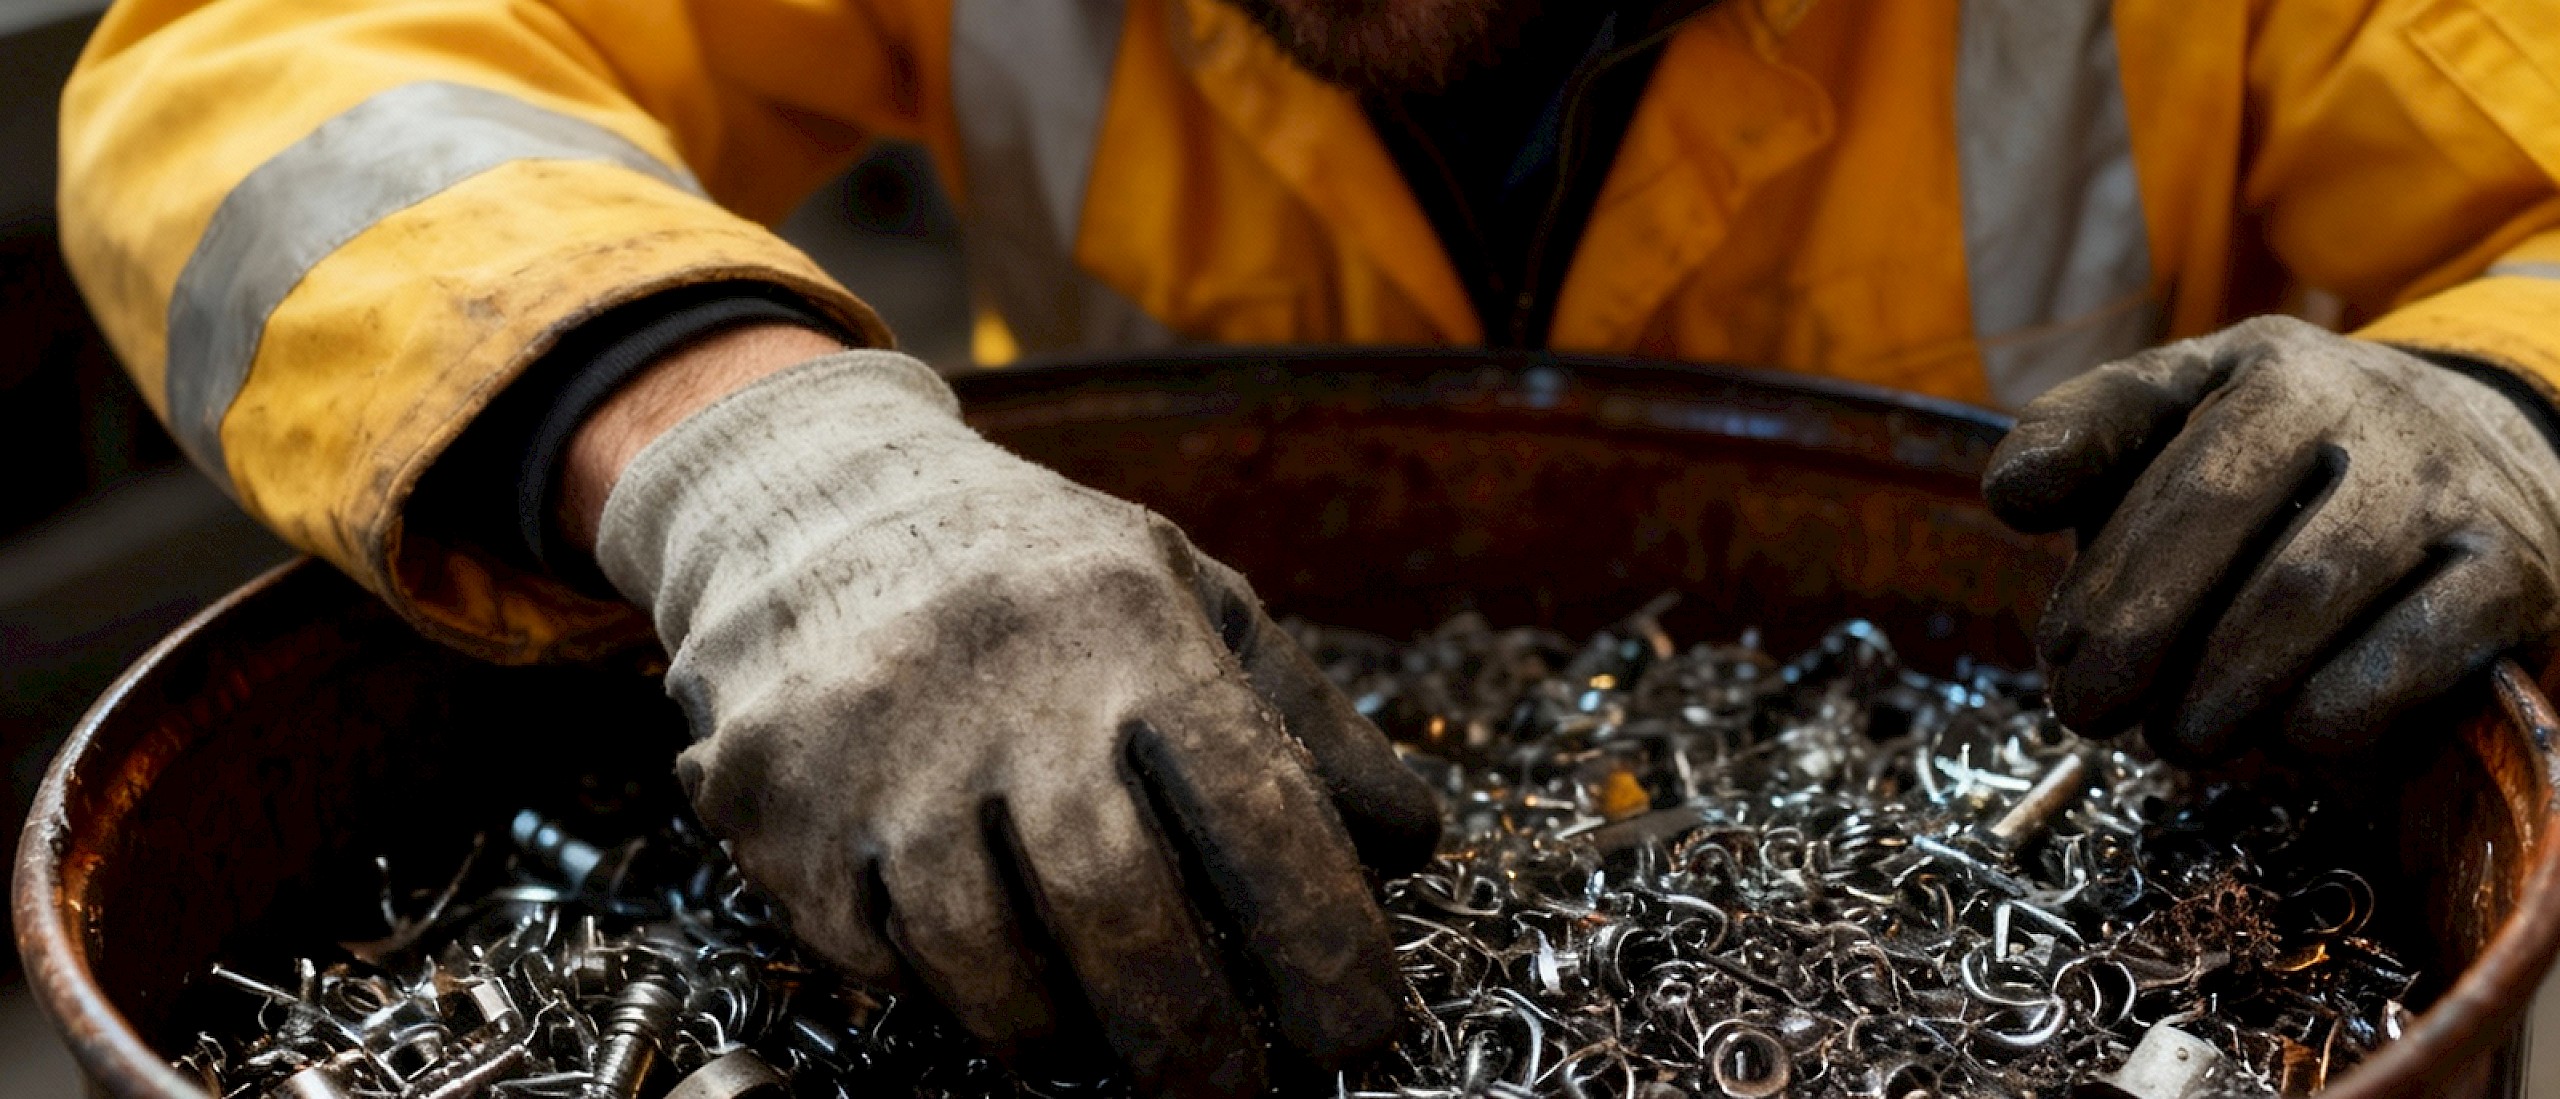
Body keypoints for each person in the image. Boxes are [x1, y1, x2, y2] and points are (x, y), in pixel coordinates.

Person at [56, 0, 2560, 1091]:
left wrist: (2492, 398)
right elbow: (262, 65)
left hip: (2039, 718)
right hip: (1011, 690)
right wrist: (738, 452)